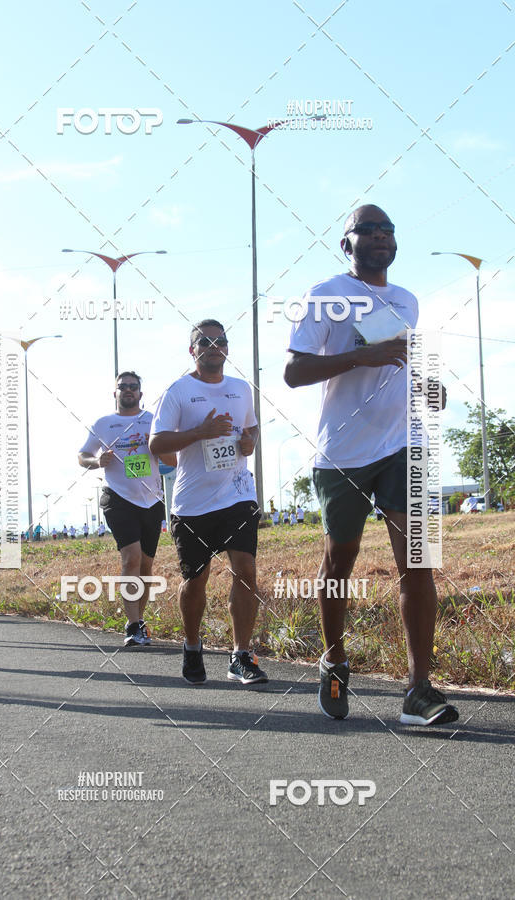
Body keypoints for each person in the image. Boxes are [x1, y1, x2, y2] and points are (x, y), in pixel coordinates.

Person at [284, 204, 458, 727]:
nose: (380, 237)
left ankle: (418, 690)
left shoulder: (407, 300)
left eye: (388, 230)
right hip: (344, 451)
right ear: (347, 243)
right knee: (340, 564)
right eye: (368, 230)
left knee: (419, 563)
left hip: (407, 444)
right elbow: (294, 371)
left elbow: (411, 362)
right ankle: (334, 660)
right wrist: (362, 357)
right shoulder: (326, 296)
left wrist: (431, 388)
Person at [149, 319, 267, 685]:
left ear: (227, 348)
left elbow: (251, 427)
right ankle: (192, 643)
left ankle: (241, 655)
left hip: (238, 494)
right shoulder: (178, 392)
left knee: (246, 571)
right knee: (196, 579)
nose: (214, 345)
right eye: (205, 341)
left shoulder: (240, 388)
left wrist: (250, 442)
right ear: (193, 350)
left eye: (221, 340)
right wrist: (201, 432)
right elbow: (157, 445)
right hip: (193, 503)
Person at [79, 371, 175, 647]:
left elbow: (172, 459)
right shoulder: (104, 423)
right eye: (123, 387)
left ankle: (138, 620)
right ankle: (133, 625)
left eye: (134, 387)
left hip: (151, 500)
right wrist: (98, 460)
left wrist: (155, 446)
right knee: (131, 558)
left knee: (146, 565)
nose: (129, 391)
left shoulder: (152, 420)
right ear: (115, 393)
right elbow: (82, 455)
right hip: (118, 498)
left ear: (141, 394)